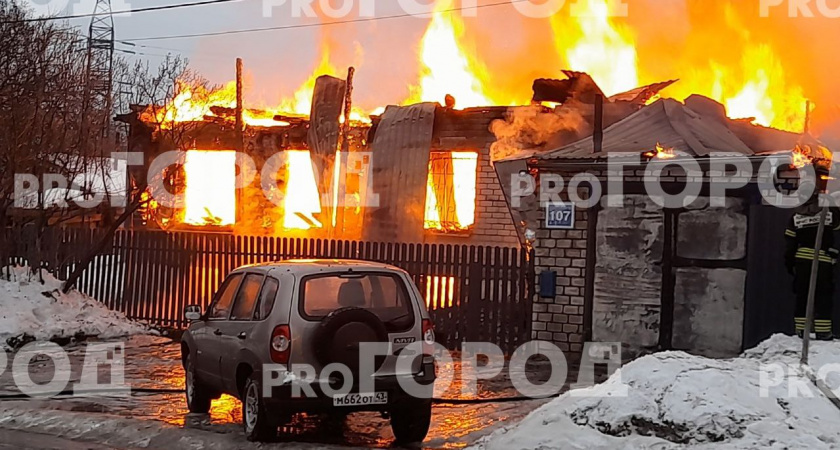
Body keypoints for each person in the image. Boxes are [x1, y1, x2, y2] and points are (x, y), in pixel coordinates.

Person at [784, 193, 839, 341]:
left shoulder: (796, 217)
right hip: (822, 259)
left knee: (803, 295)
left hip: (802, 260)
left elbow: (790, 244)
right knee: (823, 296)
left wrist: (789, 264)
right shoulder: (830, 212)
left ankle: (802, 330)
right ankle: (823, 332)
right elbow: (837, 233)